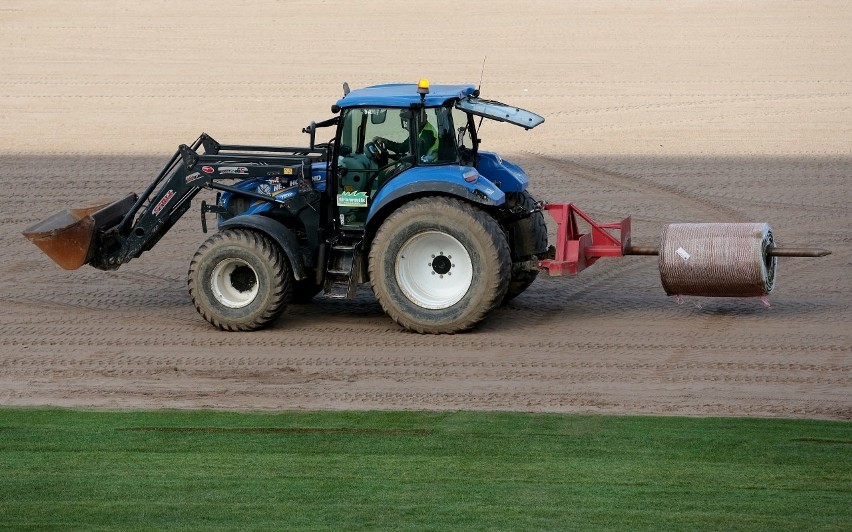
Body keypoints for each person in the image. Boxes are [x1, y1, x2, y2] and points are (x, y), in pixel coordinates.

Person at [374, 109, 440, 163]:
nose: (406, 123)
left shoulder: (427, 134)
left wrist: (396, 162)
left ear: (420, 117)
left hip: (427, 166)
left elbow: (416, 158)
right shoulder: (418, 130)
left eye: (407, 120)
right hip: (424, 163)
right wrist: (386, 142)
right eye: (405, 120)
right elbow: (403, 147)